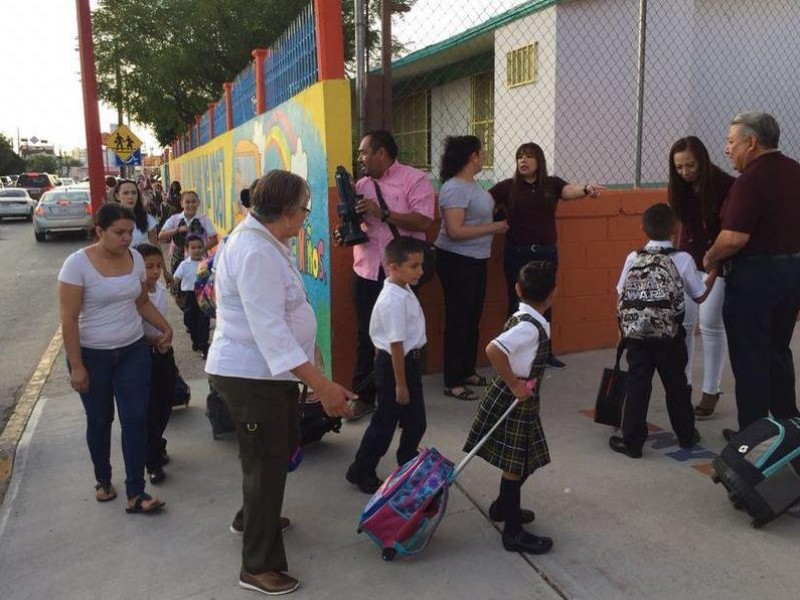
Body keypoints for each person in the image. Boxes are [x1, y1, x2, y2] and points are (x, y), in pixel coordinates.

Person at [205, 170, 355, 596]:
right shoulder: (256, 252)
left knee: (272, 452)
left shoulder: (269, 243)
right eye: (305, 210)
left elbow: (290, 314)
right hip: (252, 375)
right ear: (287, 214)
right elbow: (271, 330)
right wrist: (323, 386)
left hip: (270, 375)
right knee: (267, 461)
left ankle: (253, 517)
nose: (307, 217)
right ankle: (257, 565)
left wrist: (313, 365)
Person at [58, 203, 172, 514]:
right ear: (99, 231)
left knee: (135, 418)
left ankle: (137, 492)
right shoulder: (76, 265)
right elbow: (68, 319)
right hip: (92, 355)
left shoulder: (135, 258)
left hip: (133, 350)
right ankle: (104, 480)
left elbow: (141, 300)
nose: (126, 239)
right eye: (118, 232)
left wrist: (164, 325)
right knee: (100, 419)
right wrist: (77, 366)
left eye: (130, 232)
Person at [704, 112, 800, 440]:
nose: (727, 149)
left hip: (755, 279)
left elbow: (734, 237)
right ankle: (789, 430)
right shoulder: (794, 171)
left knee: (750, 359)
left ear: (752, 142)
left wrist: (710, 257)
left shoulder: (751, 180)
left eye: (731, 142)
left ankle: (753, 440)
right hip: (790, 274)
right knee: (777, 351)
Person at [335, 129, 435, 420]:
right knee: (367, 335)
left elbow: (424, 219)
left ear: (381, 152)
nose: (360, 158)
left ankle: (403, 395)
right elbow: (358, 224)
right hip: (367, 270)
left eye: (364, 152)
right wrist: (345, 232)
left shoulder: (414, 180)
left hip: (401, 274)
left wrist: (384, 214)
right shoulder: (361, 185)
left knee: (403, 336)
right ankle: (364, 397)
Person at [463, 261, 557, 555]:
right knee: (514, 467)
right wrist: (515, 383)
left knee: (525, 457)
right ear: (553, 294)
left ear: (517, 289)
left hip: (522, 401)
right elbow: (493, 349)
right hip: (514, 399)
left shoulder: (525, 319)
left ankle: (504, 506)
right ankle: (513, 532)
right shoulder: (529, 328)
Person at [610, 203, 717, 459]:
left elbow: (621, 292)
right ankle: (686, 435)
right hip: (669, 336)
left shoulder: (632, 257)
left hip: (636, 336)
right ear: (675, 229)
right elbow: (699, 295)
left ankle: (632, 442)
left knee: (638, 385)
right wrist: (713, 272)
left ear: (642, 228)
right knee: (676, 385)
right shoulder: (682, 259)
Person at [489, 142, 604, 369]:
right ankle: (515, 354)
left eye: (529, 156)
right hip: (516, 253)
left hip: (545, 253)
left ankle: (544, 353)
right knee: (516, 303)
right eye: (520, 156)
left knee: (545, 303)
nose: (523, 160)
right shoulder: (506, 187)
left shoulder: (551, 184)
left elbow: (569, 191)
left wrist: (586, 188)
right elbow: (483, 202)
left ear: (539, 161)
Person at [346, 237, 428, 494]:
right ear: (393, 267)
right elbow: (396, 346)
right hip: (395, 366)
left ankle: (407, 459)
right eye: (414, 266)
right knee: (384, 422)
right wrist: (401, 385)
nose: (420, 271)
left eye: (420, 265)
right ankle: (362, 469)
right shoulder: (393, 300)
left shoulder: (402, 287)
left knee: (416, 422)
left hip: (407, 364)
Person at [435, 135, 508, 401]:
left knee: (472, 316)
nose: (484, 156)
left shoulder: (473, 185)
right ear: (472, 156)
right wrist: (494, 227)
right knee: (458, 319)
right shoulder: (454, 187)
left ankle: (467, 370)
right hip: (456, 259)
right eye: (481, 153)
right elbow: (454, 231)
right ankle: (452, 380)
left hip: (477, 258)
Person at [667, 137, 735, 420]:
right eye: (679, 167)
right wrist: (672, 257)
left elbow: (729, 231)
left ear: (703, 160)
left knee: (710, 324)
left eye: (690, 165)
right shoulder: (679, 188)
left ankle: (711, 391)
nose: (685, 172)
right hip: (687, 260)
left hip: (717, 262)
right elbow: (677, 226)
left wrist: (715, 267)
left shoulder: (725, 185)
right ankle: (684, 386)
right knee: (683, 323)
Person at [135, 243, 176, 485]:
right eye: (148, 267)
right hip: (144, 355)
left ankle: (157, 443)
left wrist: (165, 340)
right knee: (150, 410)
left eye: (158, 266)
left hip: (164, 353)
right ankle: (152, 462)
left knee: (166, 402)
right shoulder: (135, 296)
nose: (154, 271)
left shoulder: (160, 290)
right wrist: (153, 340)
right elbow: (133, 330)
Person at [158, 189, 218, 274]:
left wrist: (200, 250)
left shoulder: (204, 219)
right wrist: (177, 230)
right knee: (178, 284)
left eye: (194, 202)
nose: (191, 205)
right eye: (187, 202)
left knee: (199, 285)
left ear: (198, 203)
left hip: (199, 259)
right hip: (179, 258)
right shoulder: (175, 219)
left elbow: (214, 239)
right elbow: (161, 236)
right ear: (182, 204)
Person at [173, 234, 210, 357]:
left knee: (204, 320)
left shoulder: (206, 263)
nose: (197, 250)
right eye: (193, 248)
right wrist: (173, 284)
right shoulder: (184, 264)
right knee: (190, 320)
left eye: (199, 247)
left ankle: (204, 345)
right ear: (187, 250)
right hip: (189, 295)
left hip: (203, 295)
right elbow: (176, 278)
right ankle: (196, 340)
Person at [115, 178, 158, 247]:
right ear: (117, 196)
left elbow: (155, 245)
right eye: (125, 193)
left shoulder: (147, 219)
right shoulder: (111, 220)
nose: (130, 196)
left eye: (134, 193)